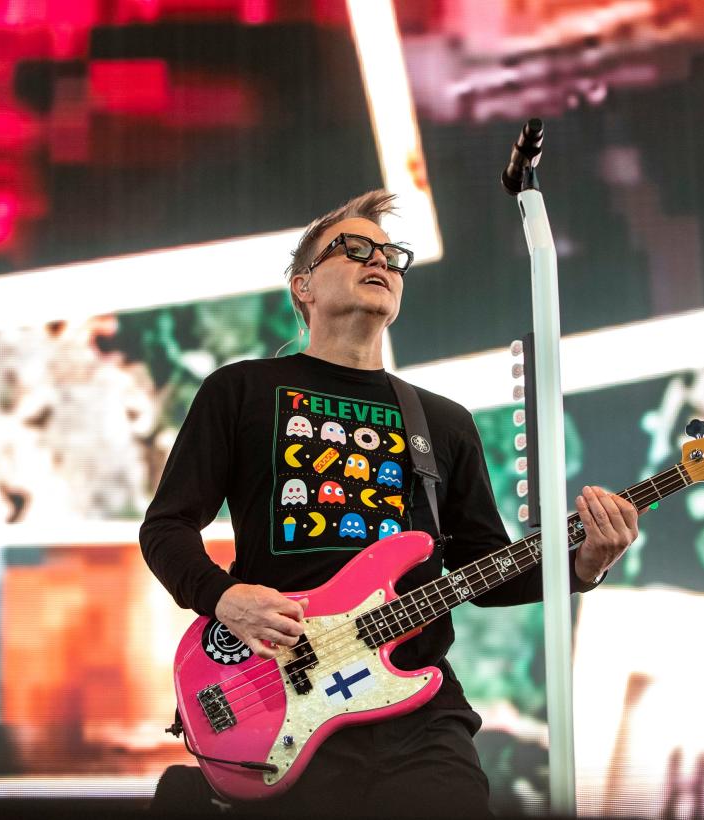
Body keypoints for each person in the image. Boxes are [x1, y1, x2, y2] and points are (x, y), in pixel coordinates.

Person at [139, 190, 639, 817]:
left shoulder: (443, 422)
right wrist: (224, 597)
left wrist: (585, 564)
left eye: (390, 254)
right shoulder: (241, 391)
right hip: (280, 697)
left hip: (418, 714)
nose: (377, 259)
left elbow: (485, 571)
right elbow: (166, 528)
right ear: (304, 286)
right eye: (351, 248)